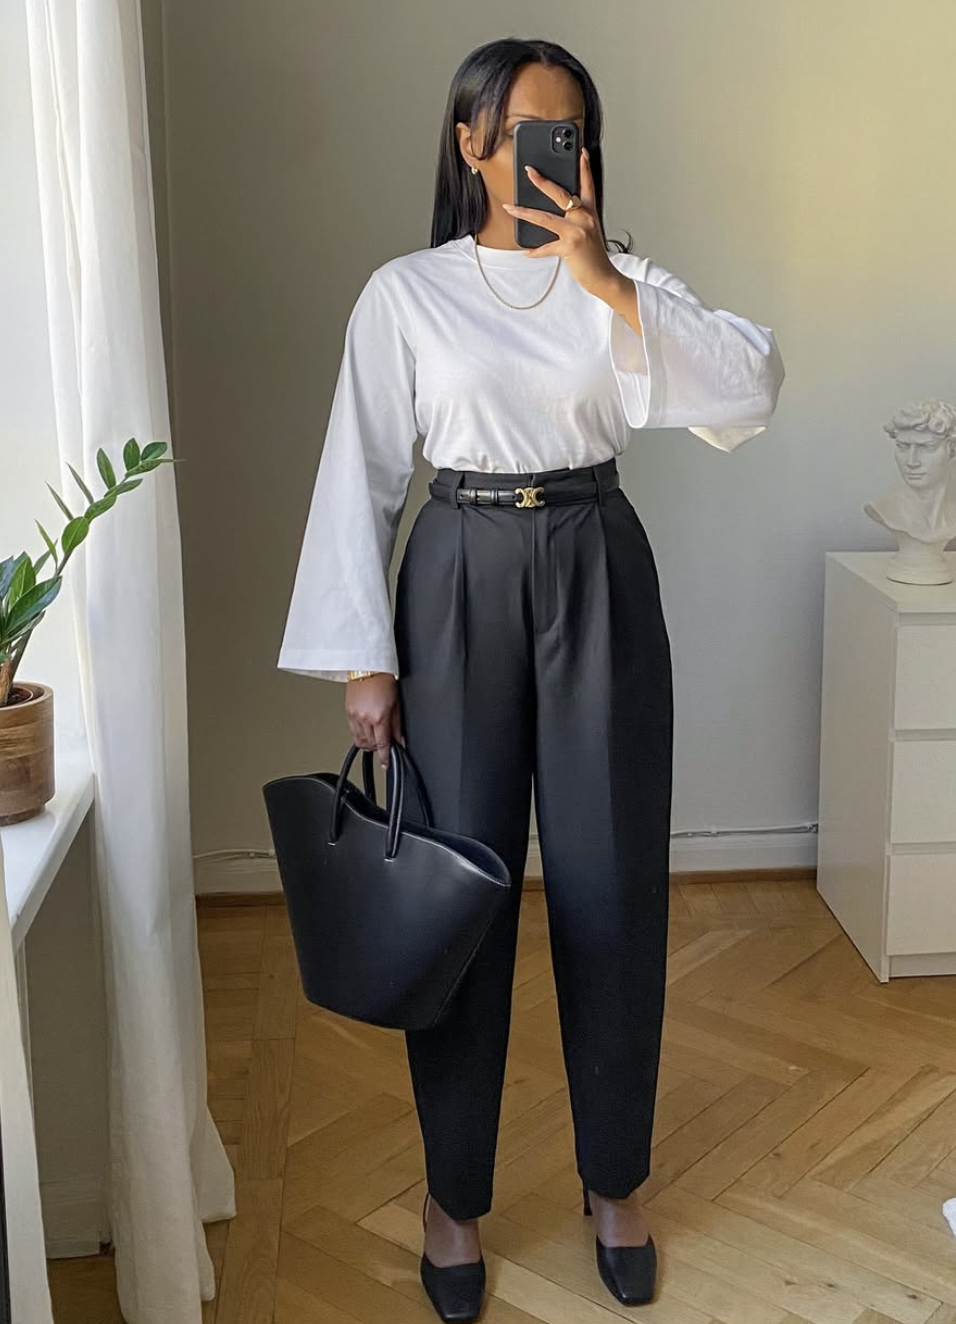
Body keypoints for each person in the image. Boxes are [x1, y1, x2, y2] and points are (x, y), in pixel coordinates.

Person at [278, 35, 785, 1323]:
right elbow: (363, 474)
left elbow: (749, 389)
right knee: (464, 894)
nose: (550, 157)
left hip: (596, 560)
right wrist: (364, 662)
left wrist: (605, 280)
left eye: (572, 134)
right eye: (522, 131)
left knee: (613, 882)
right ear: (470, 145)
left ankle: (615, 1180)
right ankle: (454, 1197)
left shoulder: (616, 280)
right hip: (453, 573)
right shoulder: (407, 293)